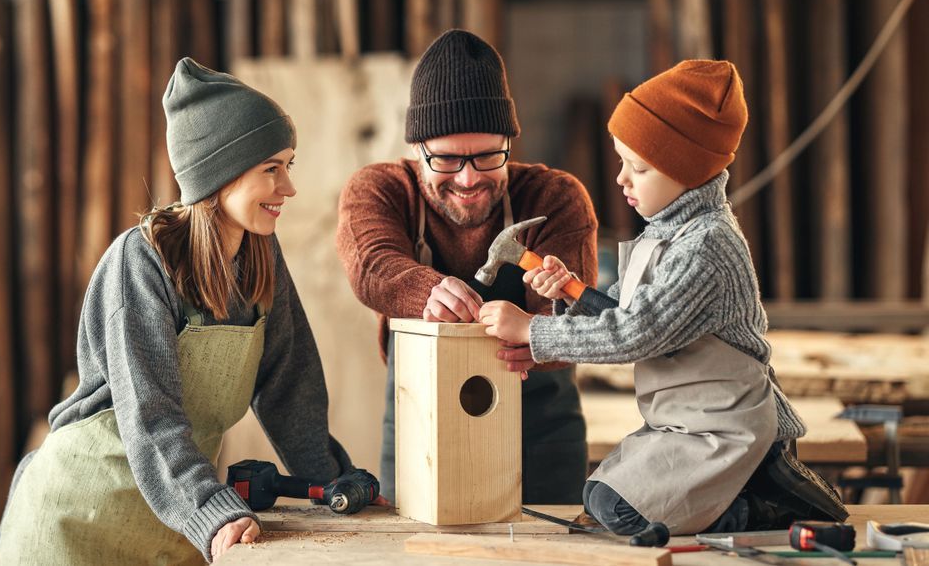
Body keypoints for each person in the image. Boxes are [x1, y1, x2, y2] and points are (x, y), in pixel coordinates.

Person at [0, 58, 360, 564]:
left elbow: (289, 384)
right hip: (78, 519)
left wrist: (335, 485)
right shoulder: (141, 261)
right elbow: (151, 416)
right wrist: (212, 507)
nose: (288, 188)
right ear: (221, 175)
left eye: (288, 165)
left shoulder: (260, 256)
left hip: (173, 522)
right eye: (270, 169)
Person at [478, 60, 847, 535]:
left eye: (640, 167)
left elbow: (635, 334)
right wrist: (571, 291)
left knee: (622, 511)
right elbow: (626, 313)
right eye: (621, 162)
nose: (621, 180)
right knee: (595, 494)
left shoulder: (705, 246)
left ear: (687, 169)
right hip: (686, 419)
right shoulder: (666, 233)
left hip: (727, 426)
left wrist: (534, 329)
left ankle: (773, 498)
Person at [335, 29, 596, 503]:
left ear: (509, 143)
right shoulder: (380, 190)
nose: (469, 177)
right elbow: (371, 265)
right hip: (421, 425)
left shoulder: (556, 198)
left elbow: (574, 323)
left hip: (540, 431)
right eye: (449, 160)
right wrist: (426, 292)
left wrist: (542, 336)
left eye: (487, 155)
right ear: (417, 150)